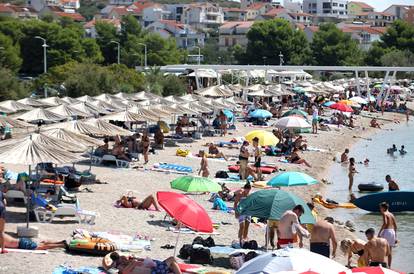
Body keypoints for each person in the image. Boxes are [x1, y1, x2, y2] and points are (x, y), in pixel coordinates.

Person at [106, 252, 182, 274]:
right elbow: (125, 272)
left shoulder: (128, 261)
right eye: (121, 259)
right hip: (156, 270)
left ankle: (174, 270)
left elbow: (143, 260)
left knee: (172, 263)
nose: (123, 259)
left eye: (123, 258)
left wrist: (135, 259)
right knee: (172, 259)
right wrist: (134, 263)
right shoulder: (121, 267)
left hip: (155, 267)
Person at [378, 202, 397, 267]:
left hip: (387, 231)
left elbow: (385, 223)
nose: (380, 209)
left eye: (380, 207)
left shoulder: (384, 213)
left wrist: (380, 232)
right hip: (392, 232)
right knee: (390, 251)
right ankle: (389, 266)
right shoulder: (392, 214)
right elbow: (395, 226)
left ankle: (383, 265)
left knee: (382, 249)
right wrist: (395, 237)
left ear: (383, 208)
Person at [0, 185, 6, 254]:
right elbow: (5, 203)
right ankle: (2, 249)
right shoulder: (1, 192)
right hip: (1, 208)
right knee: (1, 231)